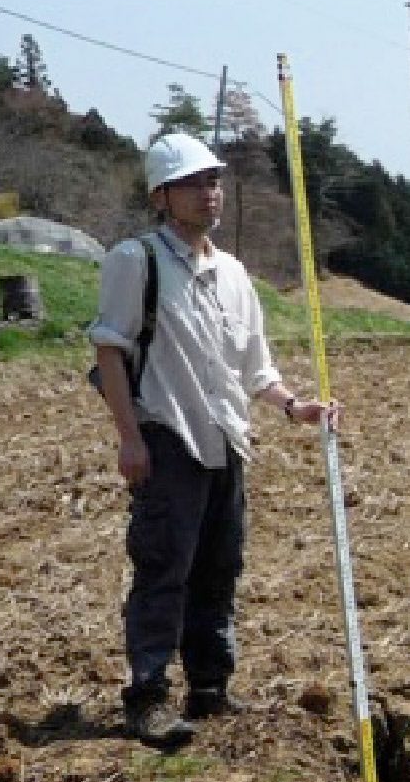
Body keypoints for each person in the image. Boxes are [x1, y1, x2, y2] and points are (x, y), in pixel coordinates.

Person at [90, 130, 334, 748]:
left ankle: (210, 686)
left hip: (227, 438)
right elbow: (110, 350)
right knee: (163, 567)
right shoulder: (135, 261)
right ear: (162, 195)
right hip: (168, 434)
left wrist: (292, 406)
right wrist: (129, 438)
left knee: (219, 566)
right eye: (195, 183)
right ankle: (147, 696)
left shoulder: (232, 274)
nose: (210, 193)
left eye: (214, 181)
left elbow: (255, 367)